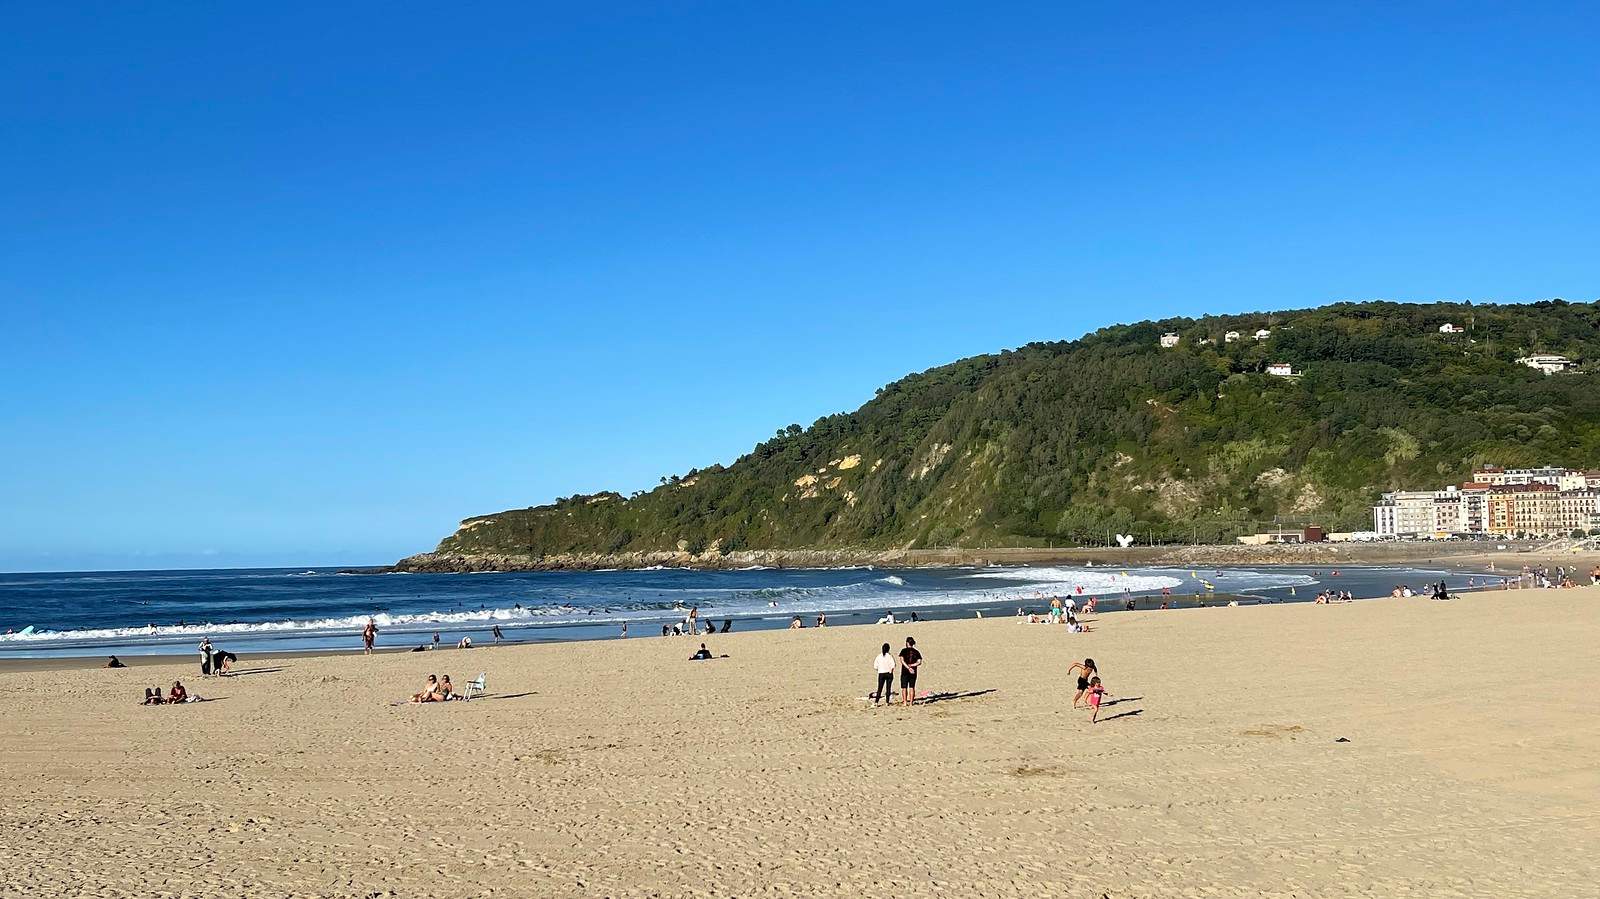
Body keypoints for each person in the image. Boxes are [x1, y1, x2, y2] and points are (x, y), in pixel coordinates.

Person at [898, 637, 922, 706]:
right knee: (912, 687)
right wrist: (912, 665)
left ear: (907, 643)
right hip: (913, 671)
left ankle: (905, 702)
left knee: (904, 687)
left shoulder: (903, 651)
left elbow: (902, 660)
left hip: (905, 671)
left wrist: (908, 667)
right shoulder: (916, 652)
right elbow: (919, 662)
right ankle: (911, 702)